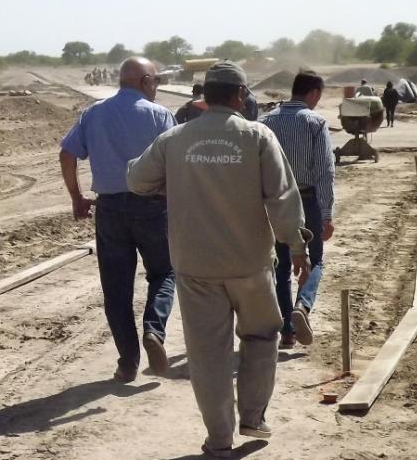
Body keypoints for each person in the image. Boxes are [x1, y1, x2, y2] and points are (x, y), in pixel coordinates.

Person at [127, 61, 310, 457]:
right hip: (251, 266)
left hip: (196, 268)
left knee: (208, 355)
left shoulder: (174, 139)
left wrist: (170, 181)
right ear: (240, 96)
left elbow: (137, 180)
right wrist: (296, 245)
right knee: (262, 338)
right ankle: (253, 417)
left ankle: (219, 440)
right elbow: (281, 197)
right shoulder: (257, 136)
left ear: (204, 97)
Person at [59, 57, 176, 382]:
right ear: (145, 82)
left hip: (109, 210)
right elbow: (176, 163)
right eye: (155, 81)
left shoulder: (94, 113)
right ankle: (154, 330)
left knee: (116, 288)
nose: (156, 87)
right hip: (153, 208)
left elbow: (67, 153)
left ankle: (128, 362)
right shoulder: (160, 115)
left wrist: (76, 197)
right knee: (165, 273)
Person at [259, 70, 335, 349]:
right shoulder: (315, 123)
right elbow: (325, 172)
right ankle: (302, 307)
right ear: (313, 93)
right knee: (315, 260)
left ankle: (287, 332)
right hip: (306, 199)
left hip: (274, 202)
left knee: (279, 264)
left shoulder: (264, 122)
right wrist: (326, 214)